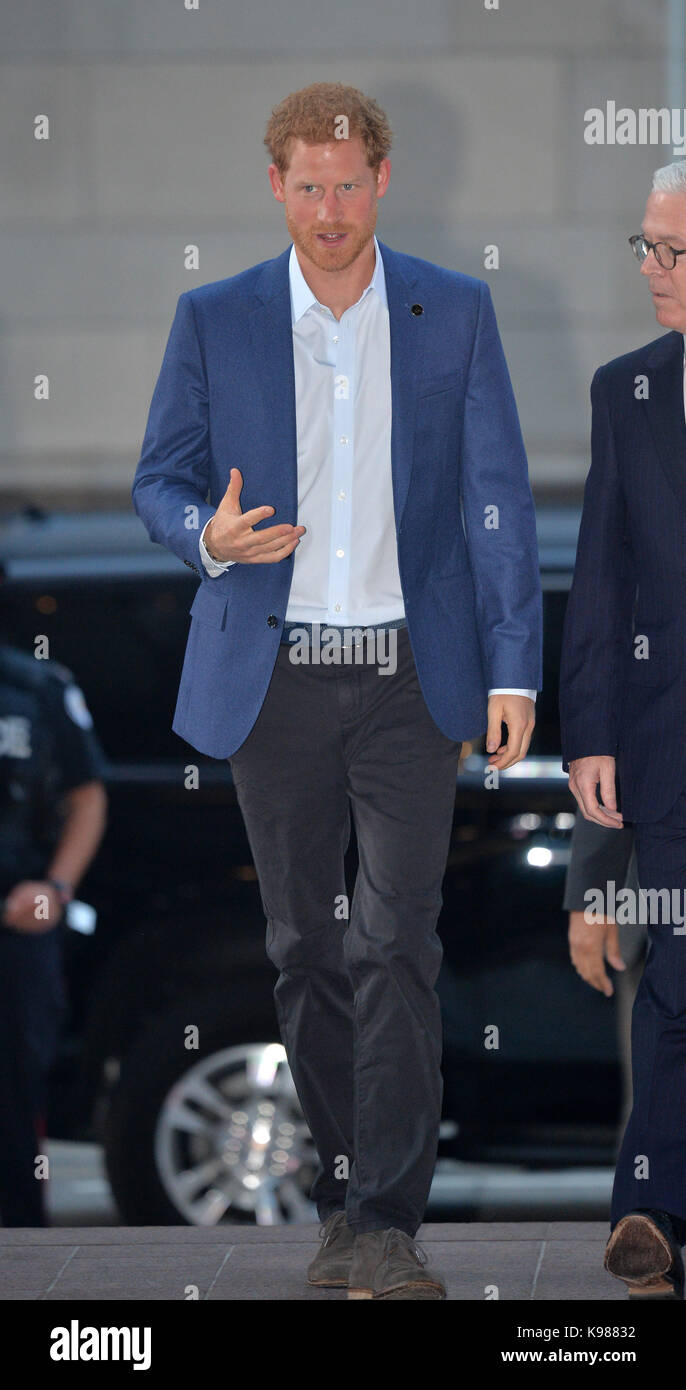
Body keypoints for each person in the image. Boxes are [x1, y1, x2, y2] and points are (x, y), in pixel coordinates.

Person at [132, 82, 542, 1299]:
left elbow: (497, 502)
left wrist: (511, 663)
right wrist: (207, 534)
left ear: (380, 181)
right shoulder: (214, 318)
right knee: (303, 945)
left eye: (348, 184)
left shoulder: (451, 309)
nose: (328, 208)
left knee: (394, 942)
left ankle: (382, 1221)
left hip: (413, 677)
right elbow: (159, 479)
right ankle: (340, 1191)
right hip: (276, 678)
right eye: (306, 185)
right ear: (274, 186)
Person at [560, 157, 686, 1300]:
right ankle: (643, 1210)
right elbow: (598, 577)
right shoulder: (627, 391)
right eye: (643, 245)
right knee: (677, 982)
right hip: (666, 746)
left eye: (671, 251)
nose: (650, 268)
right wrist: (587, 736)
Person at [0, 639, 107, 1226]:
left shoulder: (35, 687)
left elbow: (87, 796)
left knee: (15, 1096)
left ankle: (19, 1252)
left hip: (16, 923)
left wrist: (56, 891)